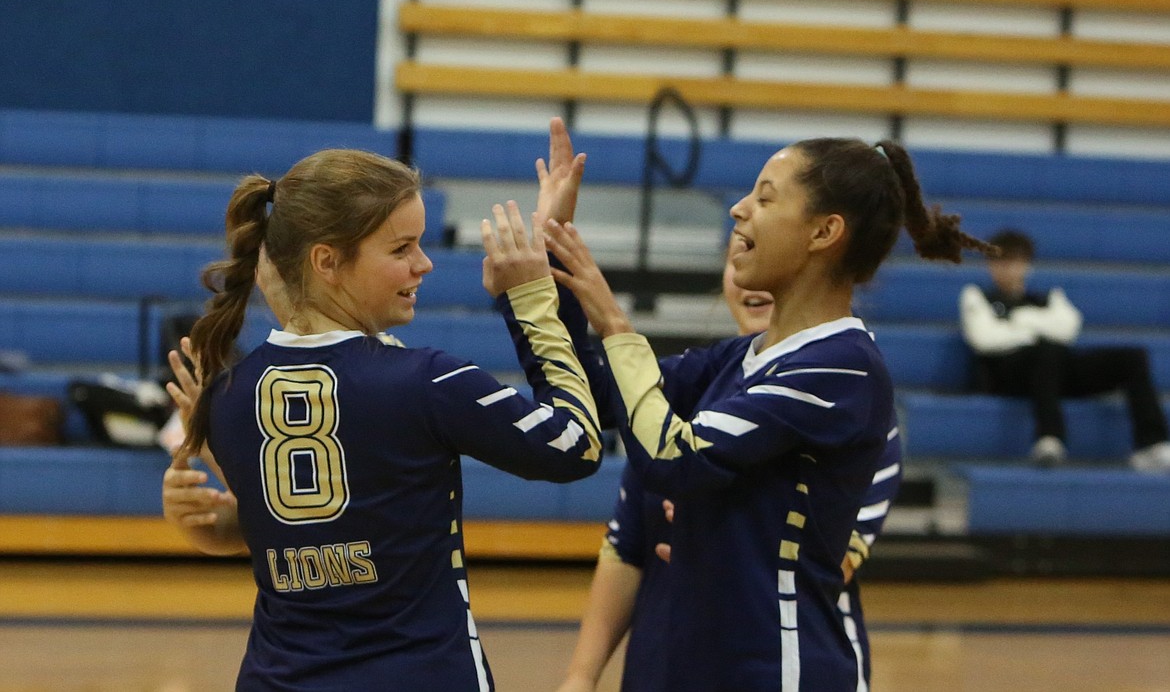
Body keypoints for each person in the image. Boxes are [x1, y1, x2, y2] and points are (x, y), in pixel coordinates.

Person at [161, 131, 607, 691]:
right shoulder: (428, 381)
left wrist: (206, 524)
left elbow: (294, 539)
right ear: (326, 260)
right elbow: (577, 445)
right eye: (401, 249)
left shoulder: (227, 396)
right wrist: (536, 296)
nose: (424, 264)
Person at [544, 138, 994, 691]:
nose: (739, 210)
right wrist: (545, 269)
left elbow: (674, 457)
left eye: (765, 198)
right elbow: (588, 393)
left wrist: (613, 321)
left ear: (823, 232)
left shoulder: (843, 367)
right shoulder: (737, 358)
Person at [556, 237, 904, 692]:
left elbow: (826, 561)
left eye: (757, 244)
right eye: (734, 253)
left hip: (780, 651)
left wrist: (714, 539)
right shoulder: (690, 389)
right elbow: (626, 548)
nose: (745, 262)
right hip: (673, 653)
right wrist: (581, 676)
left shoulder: (848, 390)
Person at [959, 228, 1170, 471]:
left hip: (1055, 373)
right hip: (1009, 376)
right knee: (1046, 351)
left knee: (1132, 358)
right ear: (989, 265)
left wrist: (1021, 321)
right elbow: (984, 338)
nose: (1007, 268)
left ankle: (1153, 443)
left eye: (1014, 261)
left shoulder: (1049, 297)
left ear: (1027, 264)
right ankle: (1049, 437)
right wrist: (1040, 329)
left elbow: (1068, 329)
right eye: (1000, 261)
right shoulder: (977, 296)